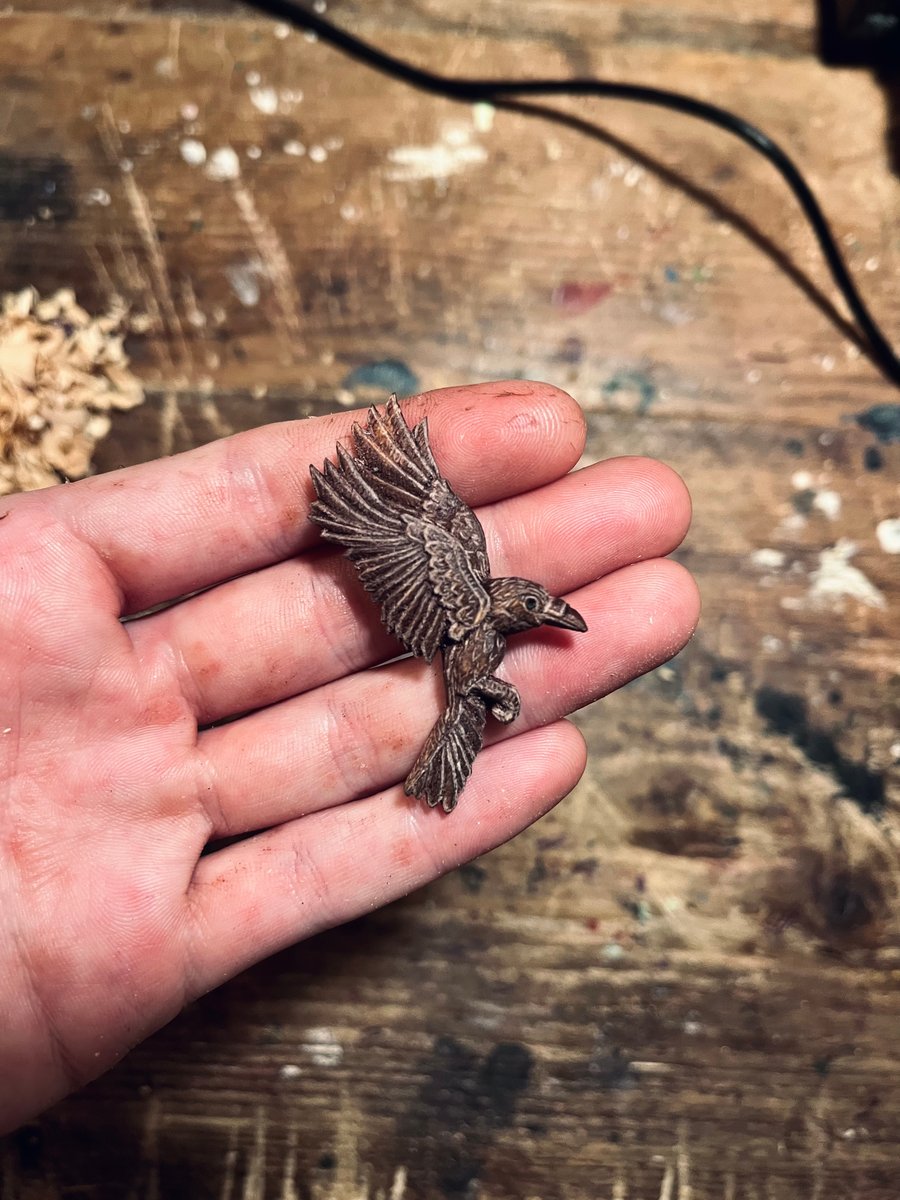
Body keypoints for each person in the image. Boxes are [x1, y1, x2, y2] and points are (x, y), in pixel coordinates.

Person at [0, 381, 698, 1132]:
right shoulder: (467, 592)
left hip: (467, 683)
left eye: (540, 609)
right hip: (464, 675)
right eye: (537, 608)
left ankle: (468, 722)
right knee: (449, 553)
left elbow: (449, 551)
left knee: (455, 575)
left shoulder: (483, 604)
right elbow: (426, 544)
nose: (547, 613)